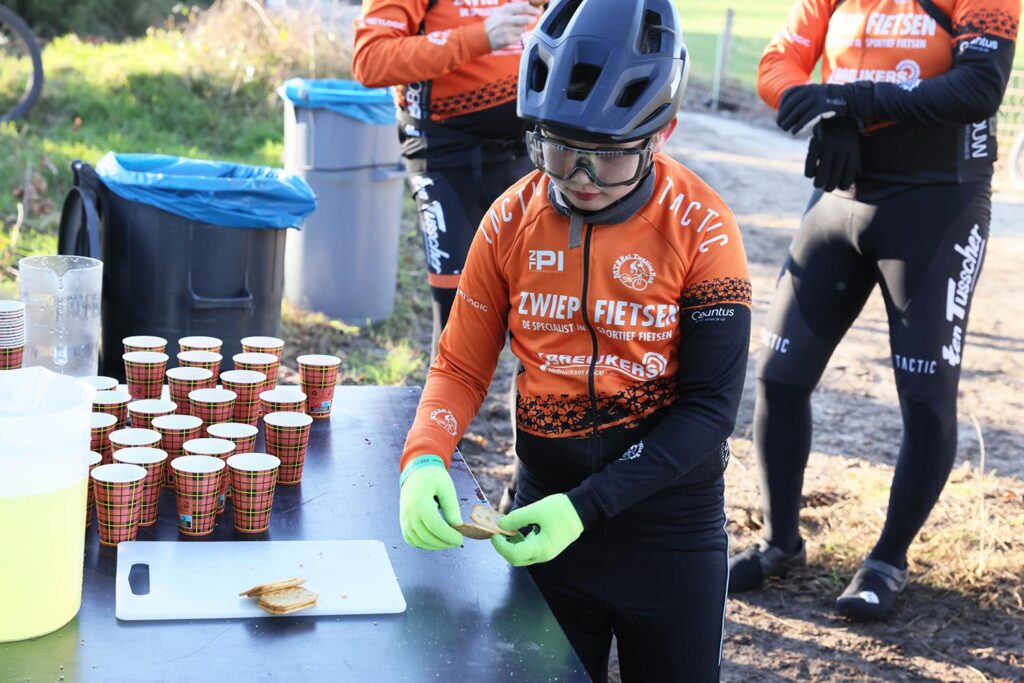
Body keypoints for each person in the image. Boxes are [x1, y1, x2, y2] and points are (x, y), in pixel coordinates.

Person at [397, 1, 753, 680]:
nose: (581, 180)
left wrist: (588, 506)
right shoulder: (510, 219)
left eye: (610, 157)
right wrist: (424, 456)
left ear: (662, 131)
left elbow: (710, 409)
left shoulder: (703, 226)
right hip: (541, 522)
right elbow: (461, 365)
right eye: (560, 150)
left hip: (668, 535)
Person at [728, 0, 1019, 621]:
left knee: (923, 393)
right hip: (841, 196)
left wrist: (851, 100)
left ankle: (887, 560)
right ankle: (780, 542)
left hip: (938, 205)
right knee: (779, 375)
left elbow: (978, 87)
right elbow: (778, 63)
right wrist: (824, 106)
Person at [352, 0, 542, 359]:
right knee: (459, 310)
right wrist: (481, 37)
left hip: (525, 148)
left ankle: (527, 415)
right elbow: (370, 60)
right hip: (444, 152)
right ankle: (443, 415)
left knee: (539, 313)